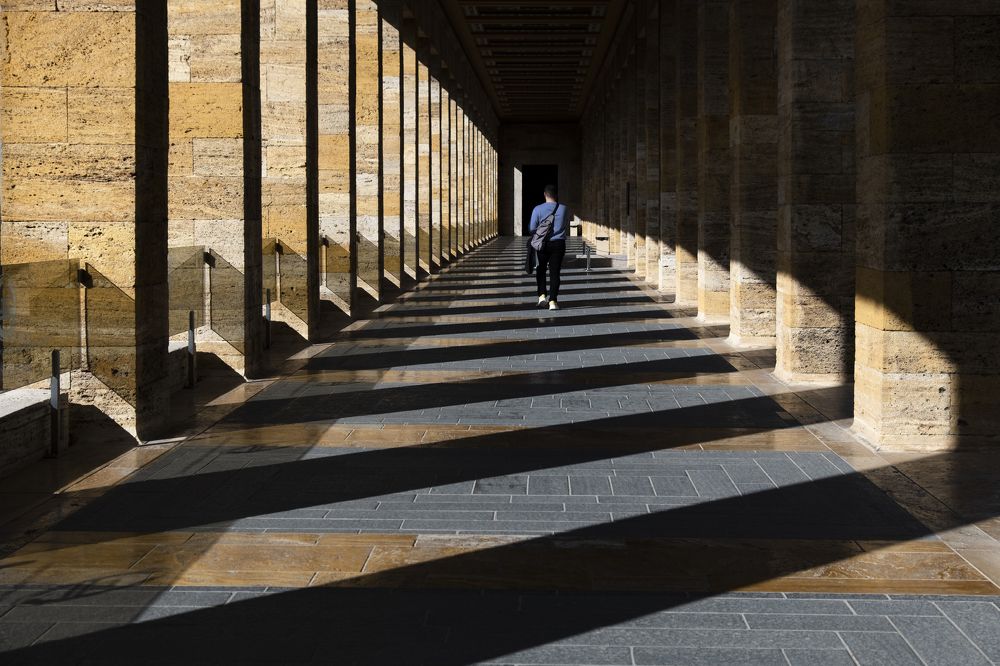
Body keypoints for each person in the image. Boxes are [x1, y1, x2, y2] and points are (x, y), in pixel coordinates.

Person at [529, 184, 570, 310]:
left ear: (545, 195)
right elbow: (565, 224)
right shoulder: (564, 209)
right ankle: (553, 301)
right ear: (556, 195)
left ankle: (542, 296)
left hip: (542, 244)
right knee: (555, 272)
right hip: (558, 244)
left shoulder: (537, 209)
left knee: (541, 270)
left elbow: (532, 228)